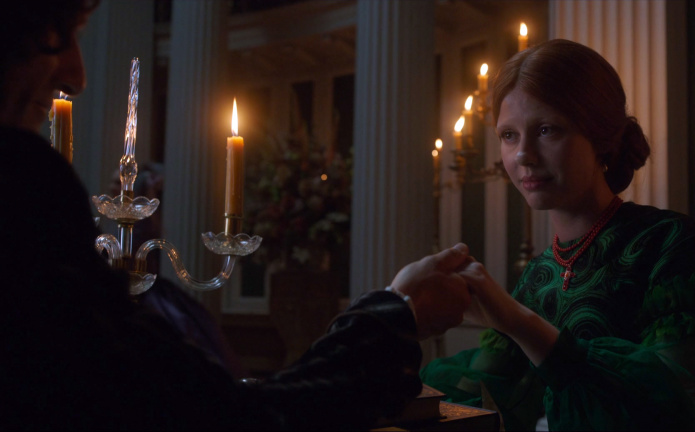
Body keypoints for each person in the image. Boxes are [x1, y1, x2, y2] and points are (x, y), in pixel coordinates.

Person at [0, 1, 473, 429]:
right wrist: (395, 312)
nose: (77, 76)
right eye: (57, 32)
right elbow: (223, 417)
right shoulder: (20, 186)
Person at [421, 39, 695, 430]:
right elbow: (485, 389)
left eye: (546, 130)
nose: (523, 154)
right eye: (508, 135)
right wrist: (399, 323)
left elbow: (687, 406)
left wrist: (521, 324)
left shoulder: (671, 245)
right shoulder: (537, 276)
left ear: (601, 139)